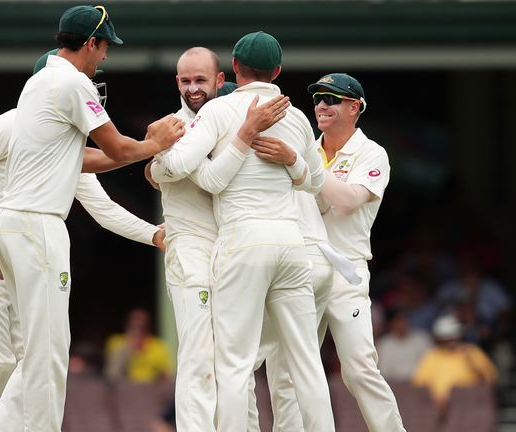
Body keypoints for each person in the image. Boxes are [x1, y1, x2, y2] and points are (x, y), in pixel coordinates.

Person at [0, 47, 169, 431]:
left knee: (35, 360)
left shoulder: (61, 145)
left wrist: (155, 234)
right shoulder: (8, 124)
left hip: (26, 254)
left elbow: (103, 208)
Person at [0, 5, 185, 431]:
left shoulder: (39, 81)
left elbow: (86, 160)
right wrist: (156, 141)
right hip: (37, 227)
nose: (106, 57)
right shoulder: (74, 83)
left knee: (37, 351)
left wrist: (141, 150)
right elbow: (120, 150)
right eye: (105, 46)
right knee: (51, 352)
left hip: (15, 224)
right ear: (91, 42)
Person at [151, 32, 334, 431]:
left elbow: (188, 169)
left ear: (231, 69)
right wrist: (291, 162)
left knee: (233, 364)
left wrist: (155, 154)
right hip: (291, 243)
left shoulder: (218, 112)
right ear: (279, 71)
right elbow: (315, 183)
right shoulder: (299, 117)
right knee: (306, 362)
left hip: (242, 241)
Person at [309, 72, 406, 431]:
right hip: (302, 269)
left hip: (345, 272)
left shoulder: (371, 152)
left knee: (358, 368)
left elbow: (348, 201)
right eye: (318, 98)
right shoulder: (307, 147)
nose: (321, 105)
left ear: (355, 107)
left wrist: (304, 166)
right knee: (290, 366)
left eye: (331, 99)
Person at [412, 314, 497, 418]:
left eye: (453, 336)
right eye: (446, 337)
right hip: (439, 408)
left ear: (458, 335)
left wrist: (471, 363)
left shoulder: (472, 351)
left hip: (470, 404)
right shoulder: (431, 356)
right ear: (439, 338)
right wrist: (436, 398)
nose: (450, 340)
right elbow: (419, 383)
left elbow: (490, 379)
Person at [104, 308, 173, 384]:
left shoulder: (158, 346)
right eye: (133, 326)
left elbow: (166, 374)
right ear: (127, 325)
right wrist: (129, 346)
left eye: (142, 327)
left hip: (150, 388)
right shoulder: (115, 341)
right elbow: (112, 372)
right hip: (123, 388)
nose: (137, 331)